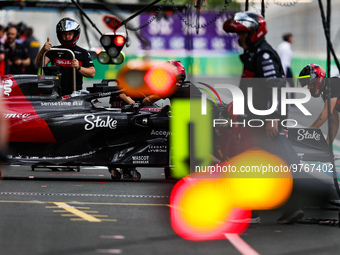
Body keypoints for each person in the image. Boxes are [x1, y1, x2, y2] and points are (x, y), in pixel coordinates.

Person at [223, 11, 307, 224]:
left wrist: (273, 118)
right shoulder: (254, 53)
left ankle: (254, 210)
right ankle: (283, 207)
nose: (238, 38)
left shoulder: (264, 54)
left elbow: (277, 88)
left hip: (265, 121)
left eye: (242, 34)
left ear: (253, 33)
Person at [36, 17, 95, 96]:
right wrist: (43, 50)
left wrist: (79, 67)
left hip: (75, 94)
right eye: (64, 34)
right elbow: (39, 64)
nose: (67, 37)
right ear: (60, 35)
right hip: (55, 93)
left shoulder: (82, 52)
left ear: (75, 34)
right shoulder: (53, 50)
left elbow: (92, 73)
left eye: (70, 34)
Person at [298, 63, 339, 143]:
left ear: (318, 79)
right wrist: (328, 144)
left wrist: (309, 131)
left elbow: (326, 113)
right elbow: (335, 121)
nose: (309, 87)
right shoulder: (327, 93)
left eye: (310, 83)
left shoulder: (332, 84)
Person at [277, 33, 294, 98]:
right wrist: (284, 72)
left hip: (282, 68)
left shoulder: (281, 45)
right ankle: (291, 101)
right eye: (291, 38)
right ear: (289, 38)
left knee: (283, 85)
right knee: (291, 85)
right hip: (285, 68)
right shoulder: (286, 47)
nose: (292, 39)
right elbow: (284, 60)